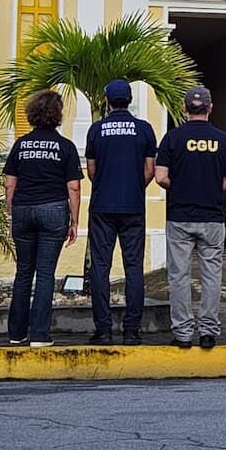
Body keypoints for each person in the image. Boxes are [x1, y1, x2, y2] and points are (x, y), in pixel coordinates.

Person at [155, 86, 226, 349]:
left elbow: (160, 177)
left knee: (178, 275)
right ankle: (208, 332)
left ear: (184, 109)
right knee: (211, 275)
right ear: (210, 108)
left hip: (180, 215)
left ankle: (182, 333)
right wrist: (213, 187)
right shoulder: (223, 139)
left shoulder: (172, 138)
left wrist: (180, 186)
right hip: (212, 215)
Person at [4, 90, 83, 348]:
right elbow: (73, 187)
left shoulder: (21, 144)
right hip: (53, 210)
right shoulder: (65, 147)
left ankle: (16, 333)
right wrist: (74, 220)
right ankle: (39, 335)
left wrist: (11, 212)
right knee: (46, 274)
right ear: (57, 115)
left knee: (23, 272)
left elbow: (9, 184)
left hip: (23, 209)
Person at [85, 79, 157, 347]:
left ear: (107, 101)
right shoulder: (144, 129)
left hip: (103, 206)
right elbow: (149, 169)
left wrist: (106, 185)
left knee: (101, 269)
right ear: (129, 100)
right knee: (134, 267)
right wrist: (136, 188)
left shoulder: (96, 130)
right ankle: (132, 331)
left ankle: (103, 330)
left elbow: (91, 171)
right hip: (133, 206)